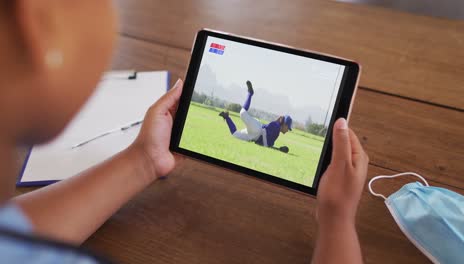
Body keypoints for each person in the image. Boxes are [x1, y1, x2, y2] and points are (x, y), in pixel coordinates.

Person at [0, 1, 369, 263]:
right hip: (258, 131)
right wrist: (337, 220)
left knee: (237, 132)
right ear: (38, 23)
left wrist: (144, 159)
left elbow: (12, 233)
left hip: (254, 135)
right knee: (242, 120)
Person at [219, 80, 292, 152]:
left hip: (253, 136)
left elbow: (268, 143)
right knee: (242, 113)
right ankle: (250, 93)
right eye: (288, 127)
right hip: (257, 129)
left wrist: (278, 149)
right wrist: (269, 146)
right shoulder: (276, 126)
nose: (287, 130)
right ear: (285, 124)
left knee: (235, 134)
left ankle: (226, 117)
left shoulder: (277, 129)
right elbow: (264, 132)